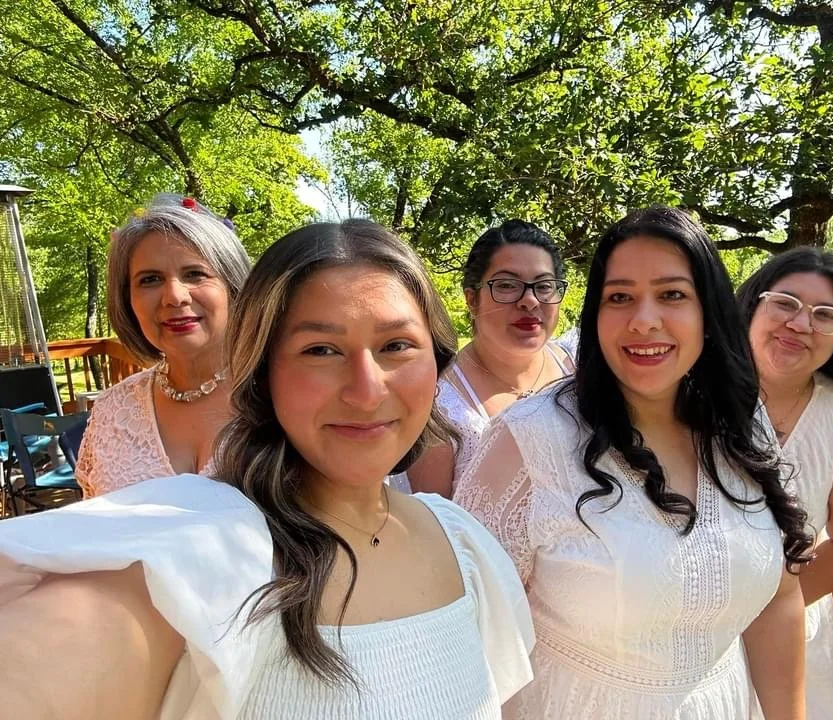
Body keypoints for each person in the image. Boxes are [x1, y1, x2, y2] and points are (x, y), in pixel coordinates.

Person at [0, 220, 534, 719]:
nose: (367, 390)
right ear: (262, 374)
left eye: (396, 345)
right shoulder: (213, 545)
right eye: (321, 349)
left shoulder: (463, 542)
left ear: (435, 364)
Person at [455, 206, 813, 718]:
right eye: (620, 296)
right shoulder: (529, 442)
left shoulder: (741, 421)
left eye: (672, 294)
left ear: (708, 312)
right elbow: (475, 634)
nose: (644, 320)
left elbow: (778, 601)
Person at [738, 247, 833, 720]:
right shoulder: (691, 393)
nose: (800, 324)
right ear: (752, 306)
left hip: (790, 638)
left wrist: (769, 612)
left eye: (825, 315)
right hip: (683, 628)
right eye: (784, 303)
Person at [76, 194, 251, 497]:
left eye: (194, 274)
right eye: (150, 279)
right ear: (127, 300)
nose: (174, 296)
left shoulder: (283, 395)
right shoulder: (112, 412)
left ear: (233, 287)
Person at [406, 220, 574, 497]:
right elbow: (436, 525)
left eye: (544, 286)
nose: (530, 301)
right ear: (472, 299)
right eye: (507, 285)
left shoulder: (578, 364)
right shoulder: (439, 407)